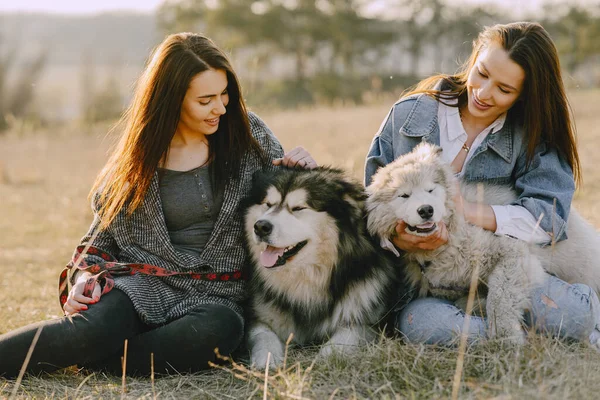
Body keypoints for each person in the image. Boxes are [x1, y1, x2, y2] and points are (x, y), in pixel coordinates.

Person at [0, 32, 317, 378]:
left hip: (218, 296)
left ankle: (103, 360)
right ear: (172, 100)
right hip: (143, 286)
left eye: (225, 94)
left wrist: (301, 170)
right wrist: (84, 277)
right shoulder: (139, 159)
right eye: (206, 99)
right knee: (89, 330)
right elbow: (97, 243)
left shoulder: (249, 135)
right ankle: (93, 343)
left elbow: (288, 199)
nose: (221, 107)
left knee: (219, 331)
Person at [364, 22, 600, 347]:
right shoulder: (410, 116)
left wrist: (466, 211)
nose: (484, 93)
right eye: (482, 73)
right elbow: (373, 201)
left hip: (506, 271)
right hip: (429, 283)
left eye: (504, 89)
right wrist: (400, 240)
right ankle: (511, 336)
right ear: (474, 57)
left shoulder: (533, 135)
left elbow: (548, 218)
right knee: (420, 324)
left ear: (525, 95)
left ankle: (567, 313)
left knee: (572, 316)